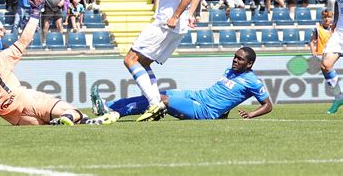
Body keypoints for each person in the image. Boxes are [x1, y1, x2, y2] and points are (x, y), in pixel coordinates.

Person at [123, 0, 202, 122]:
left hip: (166, 23)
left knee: (130, 60)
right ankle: (155, 101)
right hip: (177, 26)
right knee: (143, 62)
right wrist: (190, 15)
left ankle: (154, 103)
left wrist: (176, 15)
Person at [91, 47, 273, 123]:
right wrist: (224, 113)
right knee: (155, 93)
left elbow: (268, 105)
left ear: (249, 64)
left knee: (161, 100)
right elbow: (226, 96)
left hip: (204, 111)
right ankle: (108, 106)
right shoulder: (230, 70)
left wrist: (250, 114)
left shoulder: (253, 81)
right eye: (235, 56)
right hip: (197, 96)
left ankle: (115, 114)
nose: (235, 60)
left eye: (240, 59)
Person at [319, 0, 343, 114]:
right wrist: (334, 21)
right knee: (325, 65)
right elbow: (337, 4)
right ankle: (339, 97)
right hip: (340, 31)